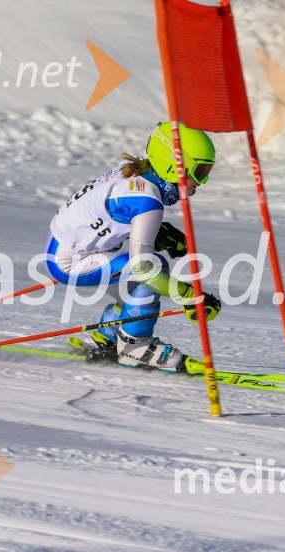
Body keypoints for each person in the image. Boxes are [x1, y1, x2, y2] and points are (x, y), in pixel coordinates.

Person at [44, 122, 222, 371]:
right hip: (70, 262)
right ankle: (134, 346)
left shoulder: (134, 171)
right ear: (175, 166)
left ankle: (110, 332)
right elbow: (143, 268)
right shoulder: (147, 201)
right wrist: (191, 297)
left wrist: (158, 232)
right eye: (200, 171)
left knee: (138, 280)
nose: (201, 183)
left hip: (67, 245)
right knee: (151, 268)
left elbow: (114, 213)